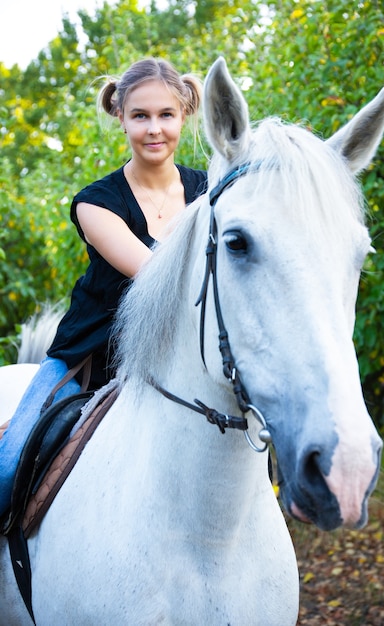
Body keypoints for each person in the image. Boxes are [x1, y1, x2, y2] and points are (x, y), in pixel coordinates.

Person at [0, 57, 207, 517]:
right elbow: (157, 278)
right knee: (6, 466)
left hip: (181, 356)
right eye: (141, 116)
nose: (154, 129)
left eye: (166, 115)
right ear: (120, 117)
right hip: (91, 358)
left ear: (184, 114)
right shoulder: (95, 203)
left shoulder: (210, 192)